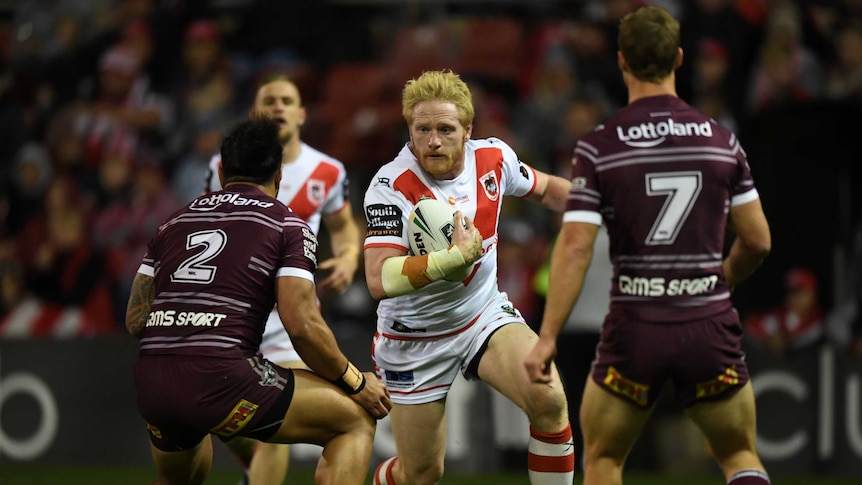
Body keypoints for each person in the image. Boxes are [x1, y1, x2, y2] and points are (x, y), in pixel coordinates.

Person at [524, 6, 772, 485]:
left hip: (634, 328)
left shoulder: (600, 146)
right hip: (706, 322)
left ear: (621, 61)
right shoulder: (721, 141)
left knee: (603, 459)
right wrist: (723, 278)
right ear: (679, 58)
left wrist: (549, 335)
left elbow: (574, 247)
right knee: (740, 453)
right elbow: (758, 240)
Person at [126, 117, 391, 485]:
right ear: (279, 176)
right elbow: (302, 326)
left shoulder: (172, 223)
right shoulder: (288, 225)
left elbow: (135, 320)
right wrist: (357, 383)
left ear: (221, 172)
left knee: (185, 474)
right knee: (354, 420)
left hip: (153, 382)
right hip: (223, 377)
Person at [364, 69, 575, 485]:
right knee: (421, 473)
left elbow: (548, 189)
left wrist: (605, 203)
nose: (433, 141)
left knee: (548, 400)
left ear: (468, 130)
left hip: (483, 317)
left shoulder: (494, 158)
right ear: (410, 129)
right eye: (422, 129)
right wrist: (450, 260)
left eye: (445, 128)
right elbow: (378, 278)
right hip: (415, 338)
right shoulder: (390, 185)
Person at [205, 73, 362, 484]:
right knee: (231, 425)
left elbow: (344, 225)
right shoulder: (220, 167)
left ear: (302, 114)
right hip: (233, 314)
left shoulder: (326, 170)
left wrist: (348, 257)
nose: (278, 107)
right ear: (254, 114)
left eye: (287, 100)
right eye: (269, 100)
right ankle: (250, 468)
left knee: (271, 421)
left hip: (289, 316)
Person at [744, 267, 824, 358]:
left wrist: (788, 342)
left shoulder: (818, 322)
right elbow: (750, 325)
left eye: (800, 293)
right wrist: (768, 339)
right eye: (792, 292)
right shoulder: (778, 317)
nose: (794, 298)